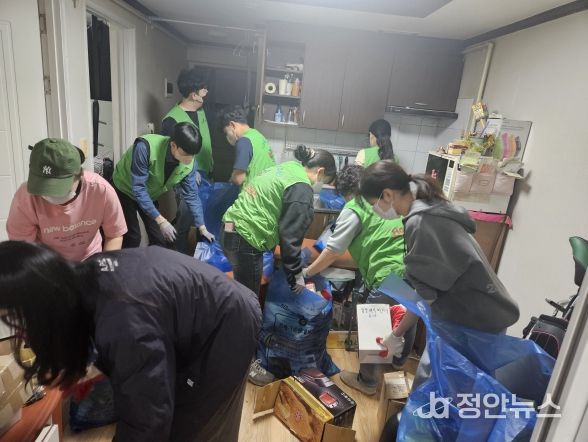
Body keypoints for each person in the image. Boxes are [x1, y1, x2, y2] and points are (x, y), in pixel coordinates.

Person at [0, 241, 261, 441]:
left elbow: (147, 419)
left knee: (195, 426)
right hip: (202, 312)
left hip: (228, 323)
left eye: (15, 318)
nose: (22, 332)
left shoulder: (123, 319)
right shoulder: (85, 275)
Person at [358, 160, 520, 351]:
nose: (375, 211)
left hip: (476, 321)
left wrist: (396, 334)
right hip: (481, 313)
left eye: (373, 204)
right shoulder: (430, 208)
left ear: (387, 194)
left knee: (447, 369)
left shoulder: (420, 222)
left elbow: (426, 296)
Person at [302, 165, 415, 395]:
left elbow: (332, 251)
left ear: (346, 193)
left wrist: (307, 272)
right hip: (409, 267)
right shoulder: (387, 202)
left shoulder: (354, 208)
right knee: (405, 310)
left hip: (385, 272)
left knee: (373, 320)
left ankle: (368, 381)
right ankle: (399, 361)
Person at [221, 145, 336, 297]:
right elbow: (290, 236)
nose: (320, 185)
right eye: (324, 181)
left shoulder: (289, 168)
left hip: (229, 229)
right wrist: (296, 274)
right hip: (245, 238)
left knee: (242, 293)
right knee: (248, 300)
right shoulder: (301, 187)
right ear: (320, 171)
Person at [7, 138, 126, 261]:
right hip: (46, 262)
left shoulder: (101, 191)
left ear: (80, 174)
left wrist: (105, 266)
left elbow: (114, 234)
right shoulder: (26, 197)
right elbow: (23, 249)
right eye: (44, 188)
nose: (51, 195)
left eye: (59, 188)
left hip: (90, 258)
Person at [112, 122, 214, 248]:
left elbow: (192, 196)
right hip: (124, 189)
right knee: (133, 237)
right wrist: (161, 221)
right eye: (185, 154)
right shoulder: (144, 147)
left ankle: (152, 261)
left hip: (149, 194)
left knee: (159, 239)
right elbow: (138, 189)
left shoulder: (190, 163)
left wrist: (202, 227)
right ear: (173, 145)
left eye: (192, 155)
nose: (189, 160)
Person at [161, 69, 214, 254]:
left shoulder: (201, 111)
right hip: (185, 179)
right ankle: (180, 258)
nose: (206, 92)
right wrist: (190, 170)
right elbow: (169, 156)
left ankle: (200, 257)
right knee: (184, 223)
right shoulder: (171, 120)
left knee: (202, 220)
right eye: (203, 89)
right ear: (194, 94)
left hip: (206, 174)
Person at [221, 106, 275, 188]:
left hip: (254, 192)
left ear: (232, 125)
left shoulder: (243, 141)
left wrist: (233, 177)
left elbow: (238, 179)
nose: (227, 136)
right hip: (267, 188)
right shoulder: (258, 135)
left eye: (226, 132)